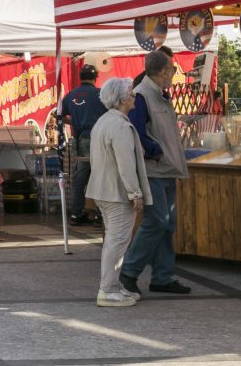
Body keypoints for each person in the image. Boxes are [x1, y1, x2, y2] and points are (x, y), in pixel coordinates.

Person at [120, 50, 192, 296]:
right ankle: (129, 272)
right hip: (154, 170)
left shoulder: (158, 95)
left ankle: (162, 277)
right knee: (157, 221)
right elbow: (136, 131)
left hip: (166, 169)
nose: (174, 73)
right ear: (163, 71)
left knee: (167, 223)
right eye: (172, 69)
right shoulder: (142, 95)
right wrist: (156, 151)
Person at [87, 77, 152, 307]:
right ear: (123, 99)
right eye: (132, 94)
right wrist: (135, 193)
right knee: (117, 242)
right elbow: (126, 163)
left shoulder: (103, 122)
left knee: (113, 241)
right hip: (117, 192)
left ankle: (112, 287)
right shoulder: (120, 125)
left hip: (103, 190)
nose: (134, 97)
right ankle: (108, 290)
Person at [60, 64, 108, 225]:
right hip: (99, 139)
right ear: (96, 77)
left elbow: (58, 115)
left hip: (80, 140)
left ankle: (76, 214)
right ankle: (100, 215)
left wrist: (73, 121)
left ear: (81, 77)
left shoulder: (70, 95)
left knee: (80, 178)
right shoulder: (101, 94)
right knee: (101, 176)